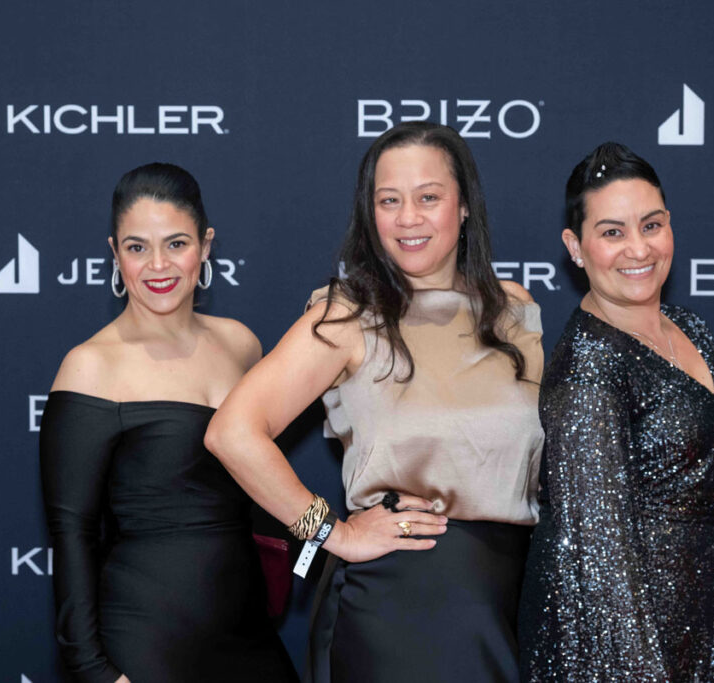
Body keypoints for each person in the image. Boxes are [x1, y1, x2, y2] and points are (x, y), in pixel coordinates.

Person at [205, 121, 545, 683]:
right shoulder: (348, 315)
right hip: (398, 608)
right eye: (389, 201)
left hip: (509, 599)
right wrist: (332, 532)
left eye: (428, 197)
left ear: (464, 206)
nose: (408, 217)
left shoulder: (513, 309)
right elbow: (231, 432)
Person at [518, 142, 714, 682]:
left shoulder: (691, 329)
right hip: (617, 646)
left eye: (651, 225)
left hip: (701, 617)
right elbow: (600, 560)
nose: (638, 248)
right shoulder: (588, 371)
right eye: (612, 232)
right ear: (575, 247)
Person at [39, 163, 297, 683]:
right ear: (115, 253)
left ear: (206, 245)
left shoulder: (241, 344)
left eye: (176, 243)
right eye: (137, 247)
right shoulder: (91, 365)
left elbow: (266, 481)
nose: (158, 265)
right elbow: (72, 535)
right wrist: (95, 672)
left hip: (249, 635)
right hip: (146, 643)